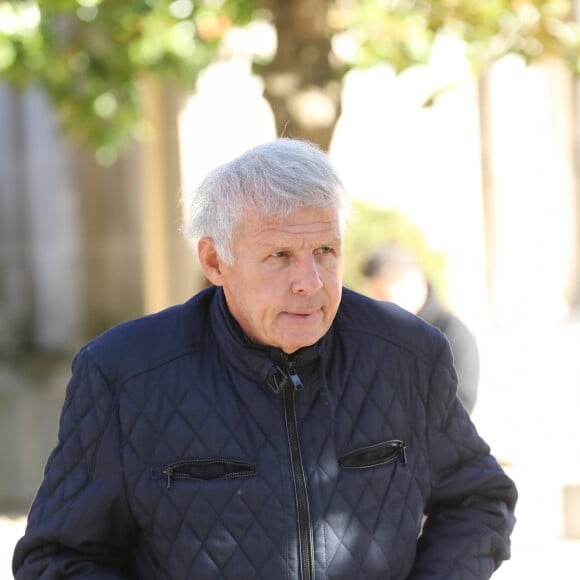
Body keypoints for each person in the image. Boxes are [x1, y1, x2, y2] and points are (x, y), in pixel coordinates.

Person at [13, 139, 516, 579]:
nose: (310, 282)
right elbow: (58, 558)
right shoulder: (123, 373)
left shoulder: (408, 353)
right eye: (279, 256)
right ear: (214, 261)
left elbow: (478, 501)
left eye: (324, 251)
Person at [362, 243, 480, 413]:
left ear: (416, 282)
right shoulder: (380, 333)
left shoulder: (453, 334)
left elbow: (459, 408)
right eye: (376, 297)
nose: (380, 306)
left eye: (385, 297)